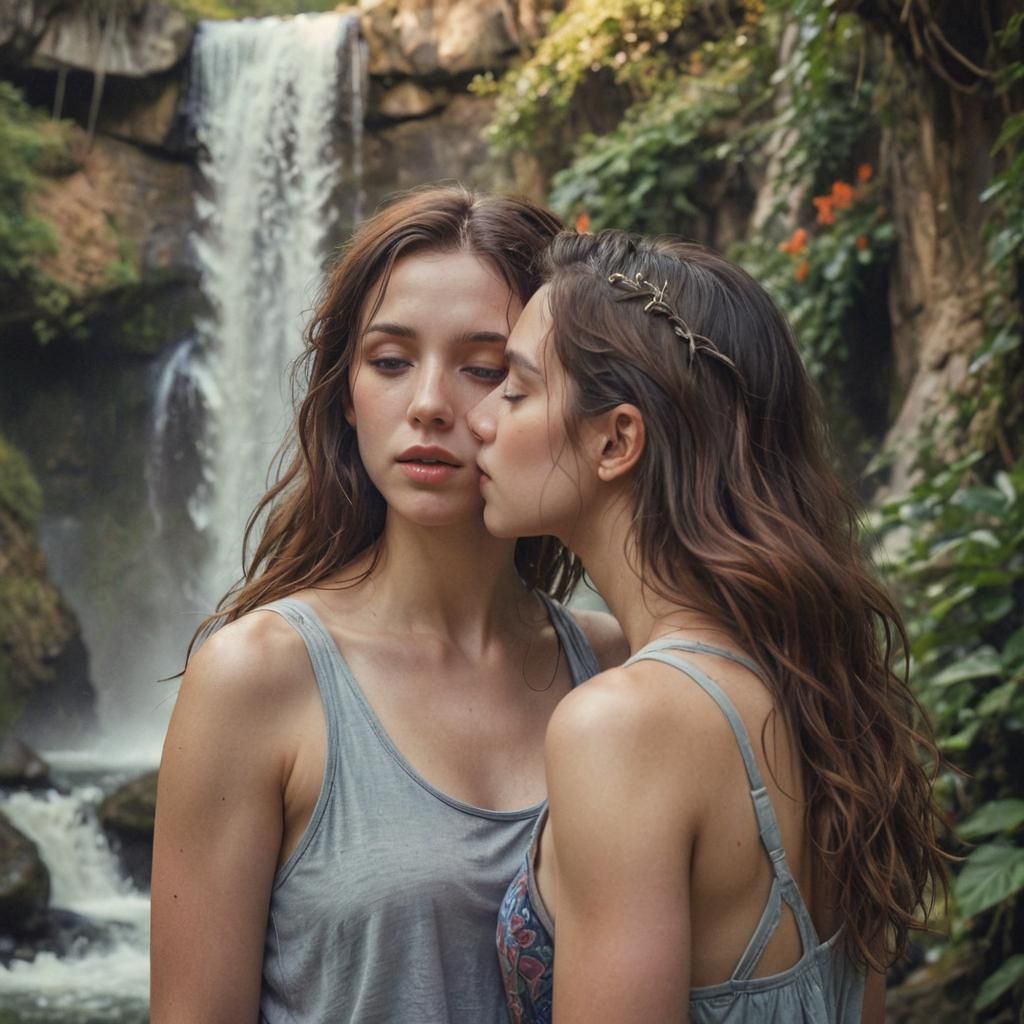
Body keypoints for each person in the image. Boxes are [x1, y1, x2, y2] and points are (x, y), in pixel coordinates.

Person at [149, 186, 625, 1024]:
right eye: (391, 361)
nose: (431, 403)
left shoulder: (619, 672)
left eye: (485, 369)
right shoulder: (253, 680)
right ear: (345, 393)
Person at [470, 229, 948, 1023]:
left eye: (514, 391)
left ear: (616, 439)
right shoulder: (822, 691)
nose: (478, 419)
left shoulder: (626, 725)